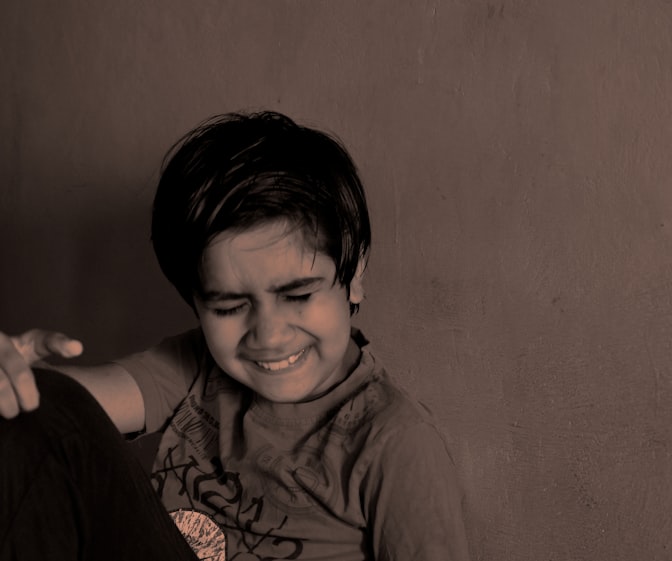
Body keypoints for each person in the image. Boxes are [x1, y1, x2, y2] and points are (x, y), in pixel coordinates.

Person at [0, 111, 471, 561]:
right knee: (29, 413)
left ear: (355, 271)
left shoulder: (396, 443)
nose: (268, 334)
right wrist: (18, 379)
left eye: (297, 295)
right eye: (230, 307)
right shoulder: (195, 366)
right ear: (197, 301)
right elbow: (66, 421)